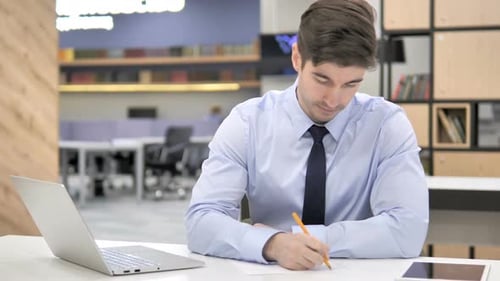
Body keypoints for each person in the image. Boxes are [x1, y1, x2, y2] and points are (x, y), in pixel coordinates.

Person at [185, 0, 429, 271]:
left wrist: (304, 238)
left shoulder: (386, 125)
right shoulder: (248, 122)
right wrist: (272, 245)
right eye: (322, 79)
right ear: (297, 58)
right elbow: (201, 222)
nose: (334, 100)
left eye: (351, 84)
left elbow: (407, 232)